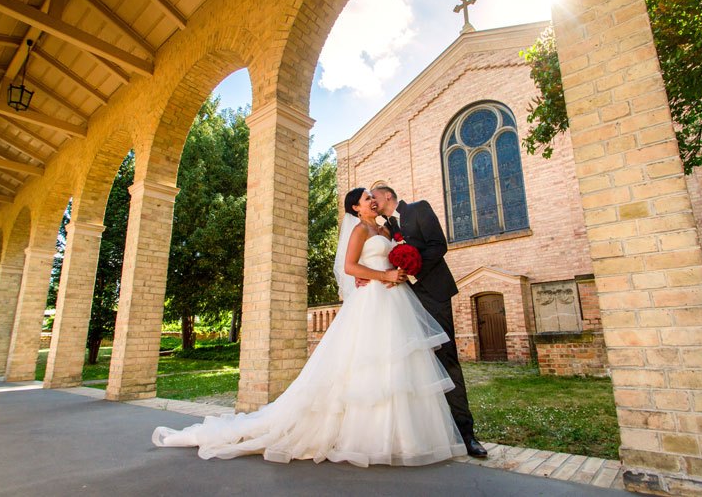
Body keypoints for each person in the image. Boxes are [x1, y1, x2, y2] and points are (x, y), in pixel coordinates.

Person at [152, 188, 466, 466]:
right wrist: (382, 276)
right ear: (356, 208)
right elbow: (349, 267)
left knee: (399, 366)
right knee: (366, 363)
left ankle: (404, 436)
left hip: (395, 301)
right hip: (373, 300)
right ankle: (367, 436)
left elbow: (395, 256)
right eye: (367, 198)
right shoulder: (358, 230)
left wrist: (396, 269)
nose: (372, 201)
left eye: (373, 197)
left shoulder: (385, 231)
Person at [368, 184, 488, 458]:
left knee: (446, 361)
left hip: (433, 294)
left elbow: (439, 245)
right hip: (403, 300)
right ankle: (431, 433)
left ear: (387, 195)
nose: (372, 201)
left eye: (373, 196)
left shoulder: (418, 209)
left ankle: (466, 434)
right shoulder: (384, 228)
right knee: (414, 366)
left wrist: (414, 266)